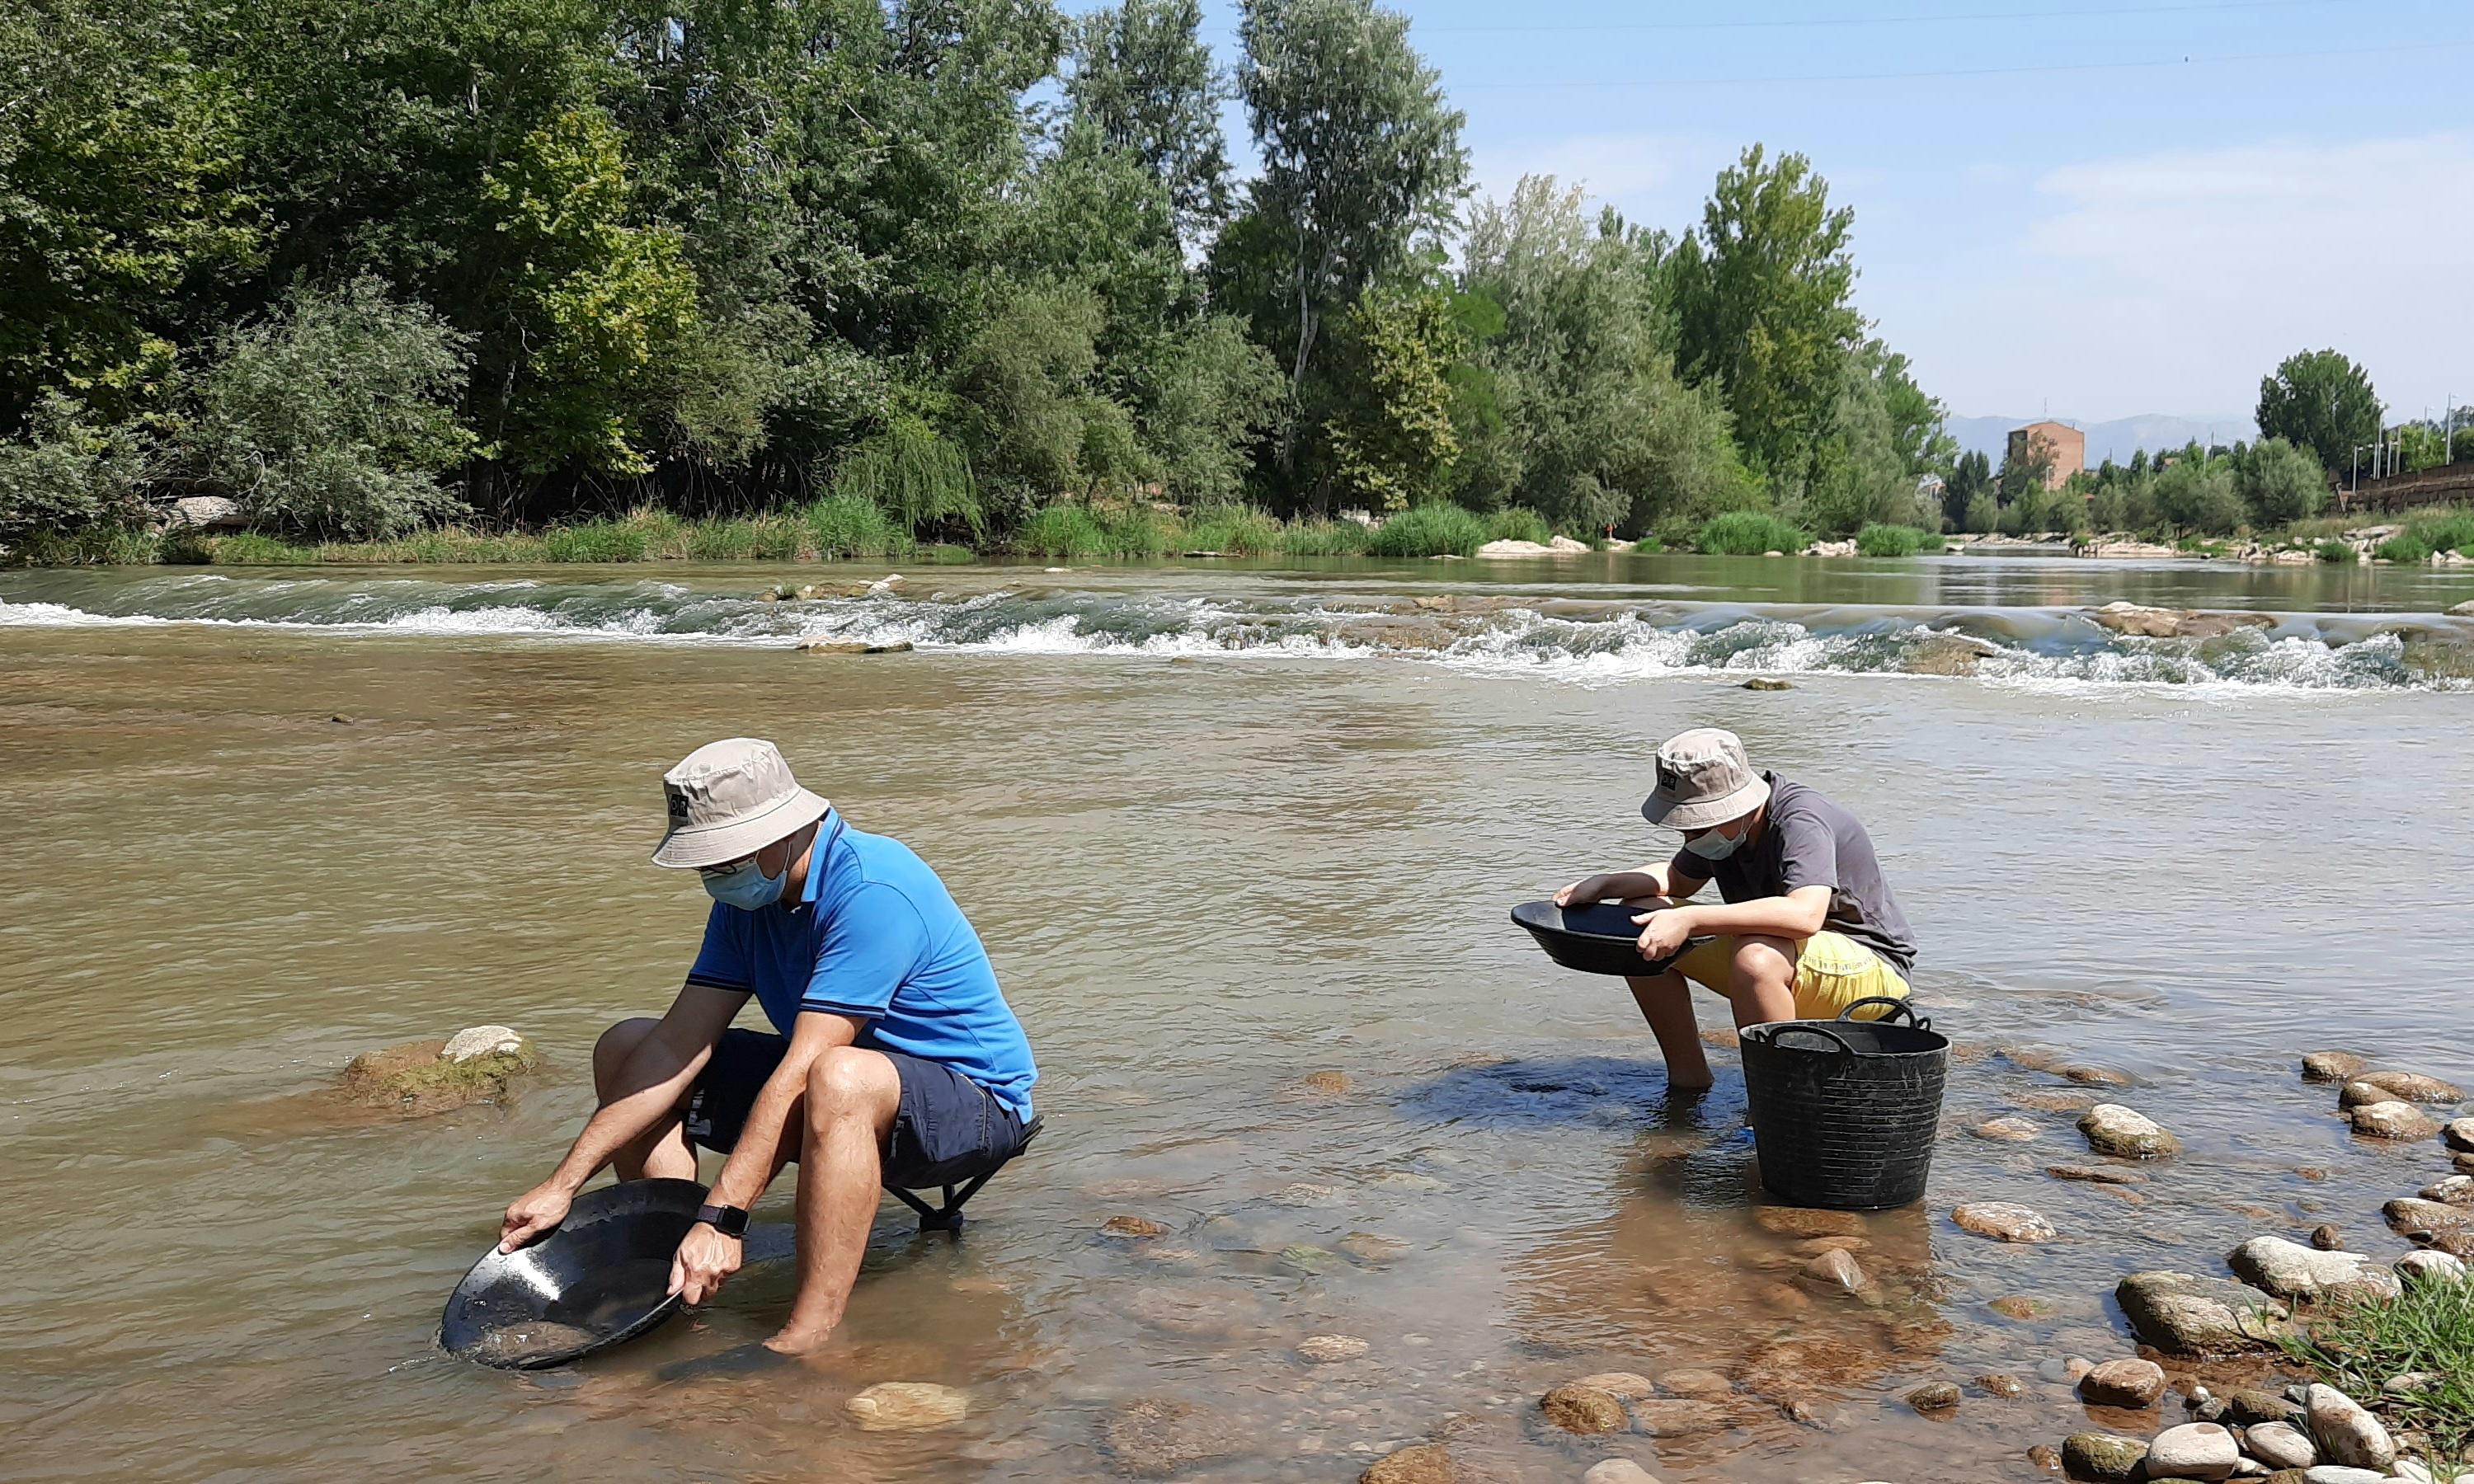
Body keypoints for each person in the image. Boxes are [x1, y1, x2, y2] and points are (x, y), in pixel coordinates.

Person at [497, 738, 1037, 1355]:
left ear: (789, 831)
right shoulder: (748, 903)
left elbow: (806, 1069)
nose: (715, 875)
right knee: (628, 1044)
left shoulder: (873, 890)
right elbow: (678, 1044)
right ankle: (675, 1274)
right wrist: (563, 1183)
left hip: (974, 1106)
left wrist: (725, 1216)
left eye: (726, 858)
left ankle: (808, 1338)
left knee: (838, 1075)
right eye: (707, 862)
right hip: (840, 1088)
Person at [1556, 727, 1916, 1092]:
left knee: (1756, 956)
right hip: (1786, 961)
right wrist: (1605, 884)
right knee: (1639, 919)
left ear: (1739, 804)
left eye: (1699, 825)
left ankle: (1775, 1102)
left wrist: (1691, 918)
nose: (1691, 837)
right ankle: (1688, 1080)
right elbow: (1677, 879)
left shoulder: (1800, 820)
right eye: (1687, 828)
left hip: (1871, 971)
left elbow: (1804, 916)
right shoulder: (1727, 833)